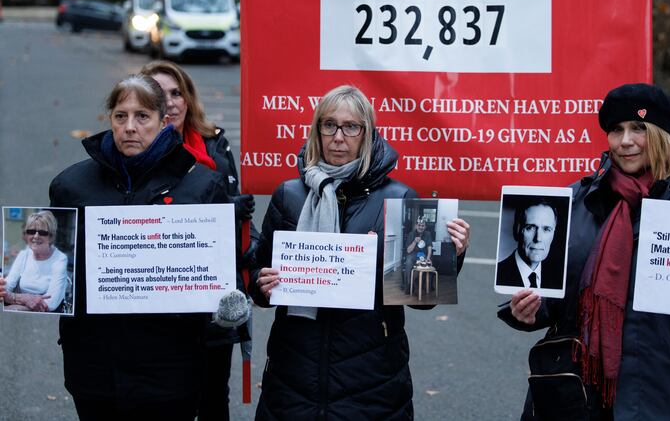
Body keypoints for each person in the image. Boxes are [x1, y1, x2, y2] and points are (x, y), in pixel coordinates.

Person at [498, 83, 670, 421]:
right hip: (577, 396)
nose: (626, 141)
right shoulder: (576, 200)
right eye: (616, 130)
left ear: (662, 135)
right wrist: (530, 311)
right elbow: (555, 297)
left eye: (639, 128)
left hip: (665, 395)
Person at [250, 85, 471, 420]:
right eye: (329, 125)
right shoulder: (289, 196)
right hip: (294, 374)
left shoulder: (400, 197)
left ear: (367, 134)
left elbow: (421, 299)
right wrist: (261, 282)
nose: (338, 137)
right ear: (317, 130)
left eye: (351, 127)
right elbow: (261, 285)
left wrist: (450, 256)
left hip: (371, 378)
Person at [49, 74, 230, 420]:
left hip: (170, 372)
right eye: (121, 116)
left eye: (142, 116)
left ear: (164, 122)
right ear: (110, 120)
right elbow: (58, 268)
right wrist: (20, 285)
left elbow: (221, 276)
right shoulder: (70, 186)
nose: (130, 127)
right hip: (93, 369)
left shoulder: (202, 186)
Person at [141, 59, 255, 421]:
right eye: (160, 94)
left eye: (177, 93)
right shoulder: (134, 155)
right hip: (157, 309)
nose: (171, 102)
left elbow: (241, 235)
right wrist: (218, 212)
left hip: (213, 306)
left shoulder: (216, 150)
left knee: (212, 399)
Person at [2, 210, 68, 312]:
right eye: (31, 232)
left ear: (51, 236)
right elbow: (5, 289)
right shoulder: (24, 255)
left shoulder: (60, 259)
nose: (36, 236)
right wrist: (25, 298)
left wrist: (14, 306)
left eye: (42, 232)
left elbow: (50, 304)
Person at [496, 199, 559, 289]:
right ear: (516, 230)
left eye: (546, 229)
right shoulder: (499, 275)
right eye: (530, 228)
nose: (538, 238)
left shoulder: (557, 279)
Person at [403, 216, 434, 292]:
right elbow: (408, 250)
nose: (421, 227)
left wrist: (428, 257)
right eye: (419, 225)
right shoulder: (411, 234)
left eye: (423, 225)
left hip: (423, 255)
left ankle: (425, 284)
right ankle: (409, 285)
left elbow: (429, 246)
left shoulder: (428, 234)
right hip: (413, 254)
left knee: (429, 263)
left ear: (425, 227)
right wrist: (414, 242)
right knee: (408, 262)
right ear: (416, 226)